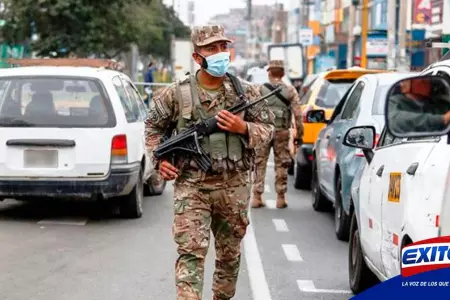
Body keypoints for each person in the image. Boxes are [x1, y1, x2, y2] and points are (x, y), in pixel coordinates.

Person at [144, 24, 275, 300]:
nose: (219, 53)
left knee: (229, 256)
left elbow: (268, 131)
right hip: (193, 187)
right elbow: (152, 128)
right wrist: (159, 161)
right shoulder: (176, 94)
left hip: (235, 186)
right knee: (190, 254)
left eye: (223, 47)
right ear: (197, 57)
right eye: (211, 49)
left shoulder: (246, 93)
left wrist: (243, 128)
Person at [251, 60, 304, 209]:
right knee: (282, 163)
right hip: (282, 131)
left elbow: (251, 111)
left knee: (259, 162)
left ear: (269, 73)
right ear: (283, 74)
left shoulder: (259, 89)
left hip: (262, 132)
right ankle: (280, 198)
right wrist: (299, 134)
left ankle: (257, 197)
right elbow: (298, 115)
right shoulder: (290, 90)